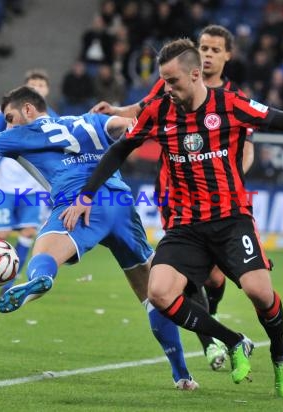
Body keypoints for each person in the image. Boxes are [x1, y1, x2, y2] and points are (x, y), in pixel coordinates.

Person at [60, 39, 283, 397]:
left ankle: (280, 352)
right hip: (186, 226)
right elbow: (120, 149)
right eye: (164, 82)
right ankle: (233, 341)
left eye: (173, 81)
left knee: (260, 293)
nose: (167, 89)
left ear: (195, 75)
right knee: (160, 293)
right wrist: (86, 194)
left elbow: (282, 118)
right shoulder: (159, 111)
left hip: (231, 220)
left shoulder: (230, 105)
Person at [0, 85, 198, 391]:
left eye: (10, 116)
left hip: (79, 206)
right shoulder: (87, 119)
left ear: (29, 110)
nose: (8, 123)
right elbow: (127, 124)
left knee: (42, 252)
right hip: (120, 203)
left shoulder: (24, 133)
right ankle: (182, 375)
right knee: (151, 297)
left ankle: (41, 278)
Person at [92, 24, 252, 371]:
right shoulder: (171, 84)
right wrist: (116, 110)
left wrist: (233, 177)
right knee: (185, 275)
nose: (208, 54)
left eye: (214, 49)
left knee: (215, 279)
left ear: (227, 55)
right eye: (204, 47)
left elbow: (247, 147)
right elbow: (144, 108)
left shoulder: (233, 98)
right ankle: (210, 342)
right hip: (176, 197)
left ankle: (213, 319)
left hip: (221, 201)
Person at [0, 69, 58, 291]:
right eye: (33, 84)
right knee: (2, 234)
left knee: (28, 232)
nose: (37, 88)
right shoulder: (7, 113)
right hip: (5, 183)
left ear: (47, 90)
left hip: (33, 188)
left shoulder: (53, 117)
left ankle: (10, 281)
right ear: (25, 89)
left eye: (41, 85)